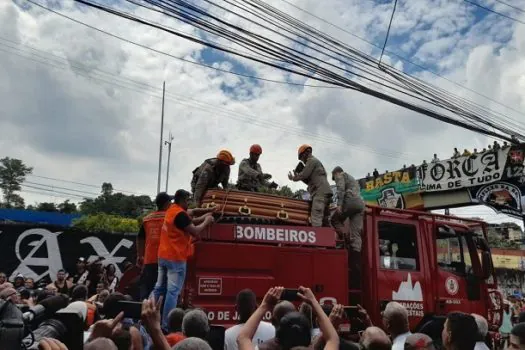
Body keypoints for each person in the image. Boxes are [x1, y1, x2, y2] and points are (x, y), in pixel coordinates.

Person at [153, 189, 215, 331]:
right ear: (182, 200)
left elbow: (190, 218)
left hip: (163, 256)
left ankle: (150, 316)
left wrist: (207, 211)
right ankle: (167, 325)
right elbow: (195, 230)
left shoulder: (172, 210)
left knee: (159, 288)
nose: (189, 203)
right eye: (187, 200)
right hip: (175, 258)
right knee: (173, 292)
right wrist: (207, 220)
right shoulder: (180, 214)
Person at [137, 192, 172, 300]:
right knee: (165, 293)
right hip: (166, 261)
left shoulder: (147, 219)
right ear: (166, 204)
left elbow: (140, 238)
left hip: (149, 261)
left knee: (147, 291)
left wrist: (140, 256)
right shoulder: (171, 218)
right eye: (170, 202)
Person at [288, 145, 333, 227]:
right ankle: (330, 238)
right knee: (325, 220)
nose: (302, 160)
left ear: (306, 153)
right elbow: (309, 180)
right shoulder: (316, 162)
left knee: (316, 218)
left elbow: (304, 174)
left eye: (301, 157)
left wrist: (293, 178)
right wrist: (299, 176)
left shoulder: (311, 161)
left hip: (320, 193)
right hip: (325, 192)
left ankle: (319, 239)